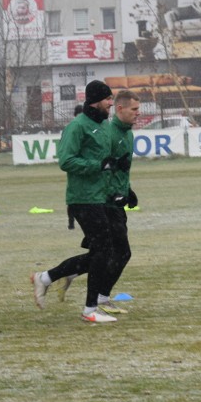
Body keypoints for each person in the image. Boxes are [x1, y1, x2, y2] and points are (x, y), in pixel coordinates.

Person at [30, 80, 118, 323]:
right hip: (82, 198)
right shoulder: (77, 126)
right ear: (95, 100)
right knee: (104, 251)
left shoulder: (104, 125)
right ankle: (89, 310)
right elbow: (66, 161)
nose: (111, 103)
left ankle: (46, 278)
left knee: (103, 252)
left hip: (99, 196)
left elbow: (106, 162)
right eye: (108, 99)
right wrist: (97, 166)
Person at [58, 90, 141, 314]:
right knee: (111, 253)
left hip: (112, 199)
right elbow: (102, 166)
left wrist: (127, 190)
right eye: (134, 109)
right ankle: (90, 300)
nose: (138, 114)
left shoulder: (126, 132)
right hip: (100, 200)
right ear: (120, 108)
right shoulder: (108, 131)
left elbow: (117, 168)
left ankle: (57, 278)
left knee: (108, 253)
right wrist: (112, 193)